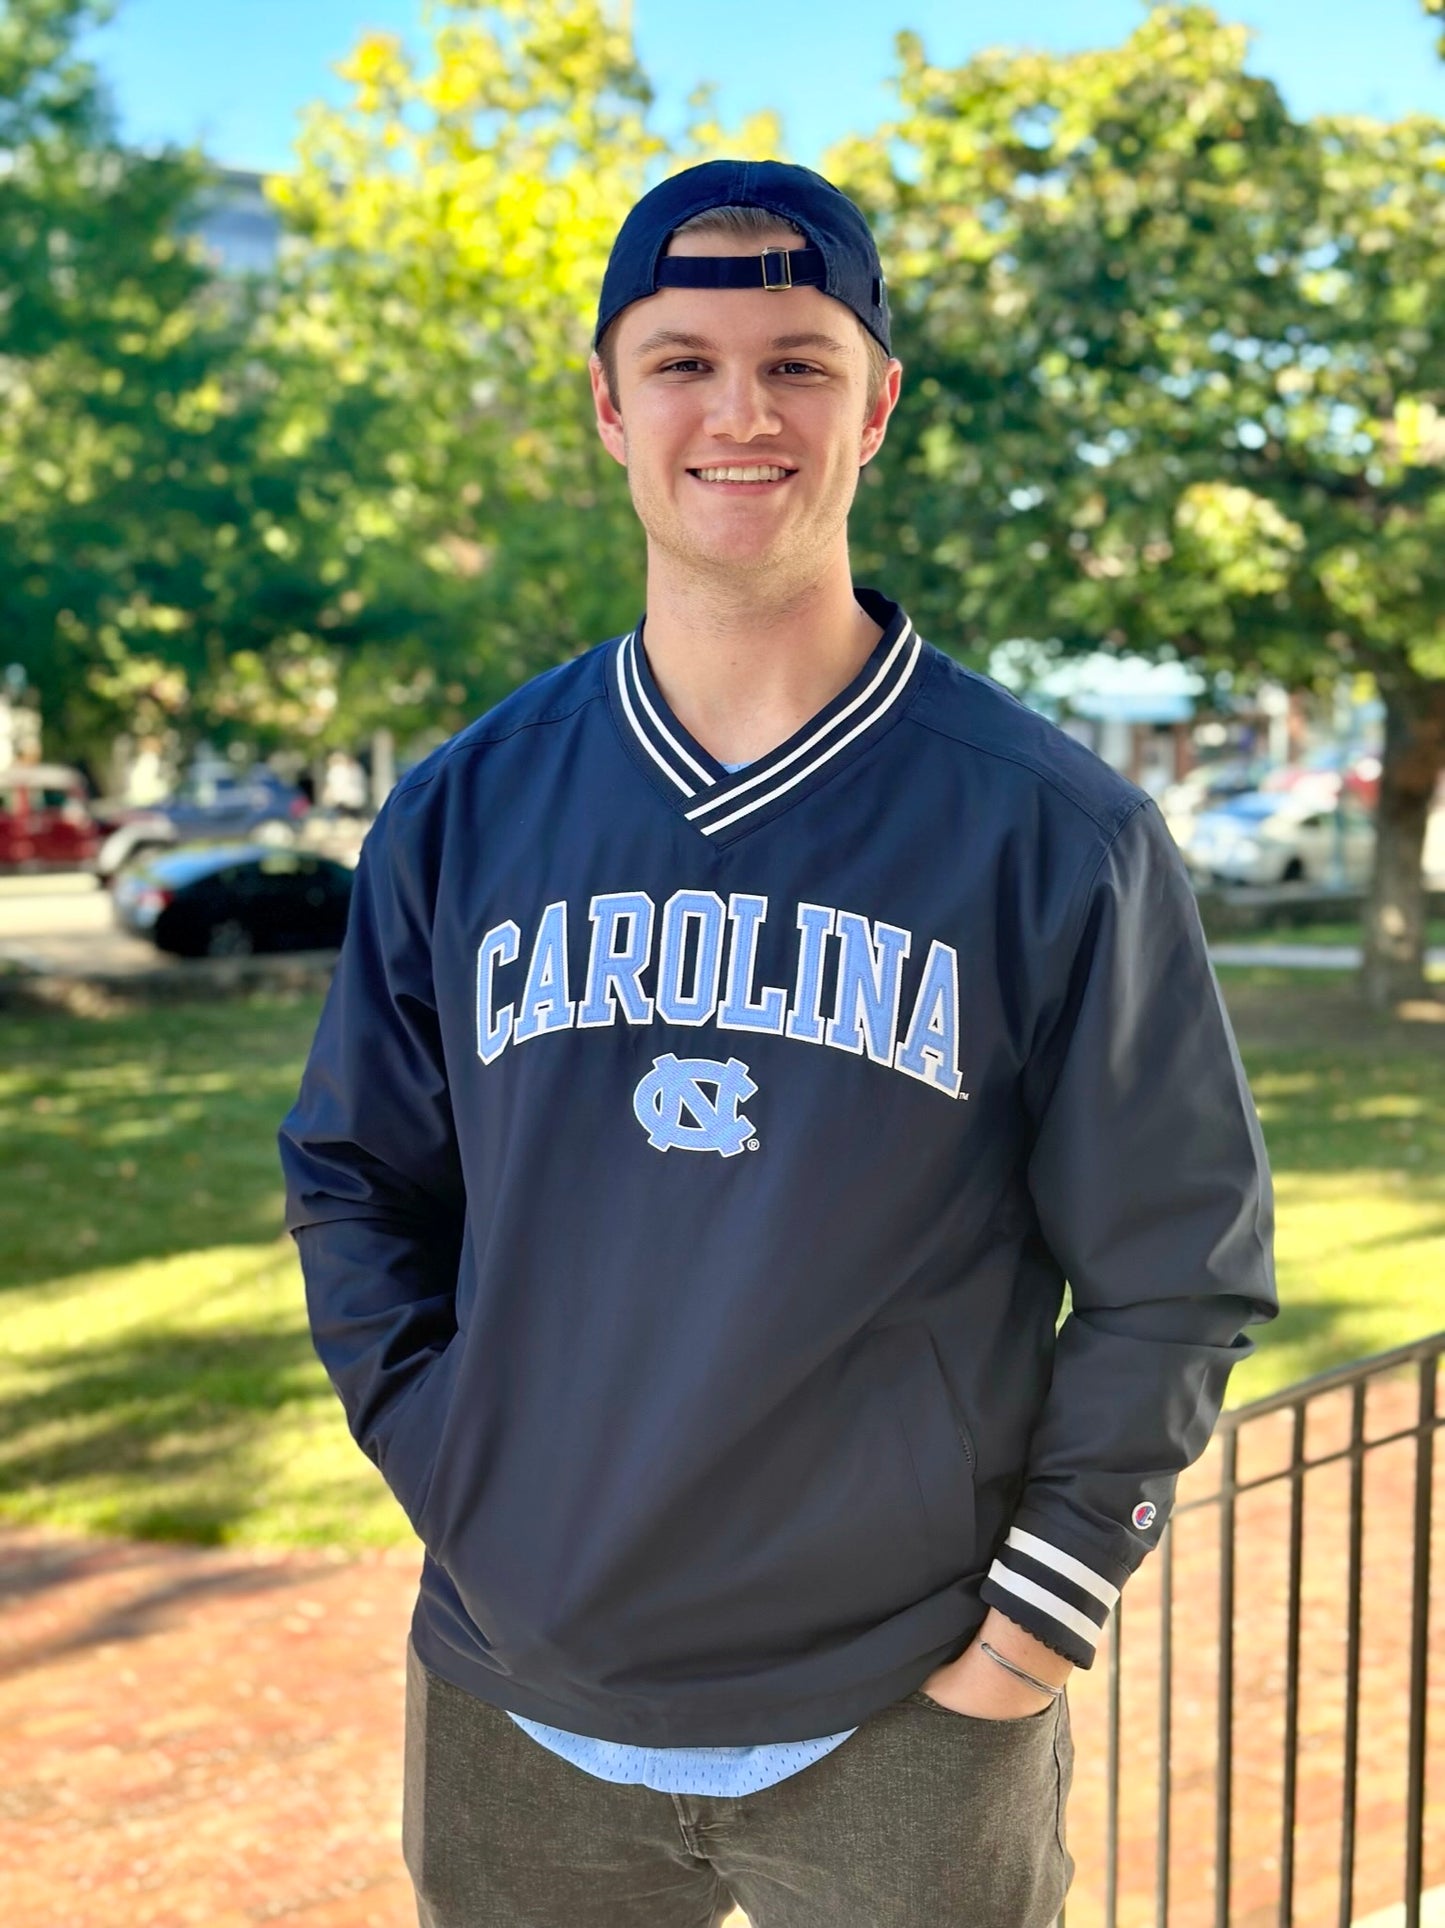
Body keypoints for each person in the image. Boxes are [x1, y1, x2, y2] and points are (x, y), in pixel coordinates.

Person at [277, 159, 1277, 1928]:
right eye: (682, 361)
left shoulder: (1053, 832)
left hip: (900, 1706)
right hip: (521, 1692)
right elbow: (357, 1177)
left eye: (798, 362)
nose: (740, 412)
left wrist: (1028, 1639)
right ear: (607, 405)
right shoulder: (462, 812)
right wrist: (463, 1469)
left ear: (875, 404)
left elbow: (1176, 1271)